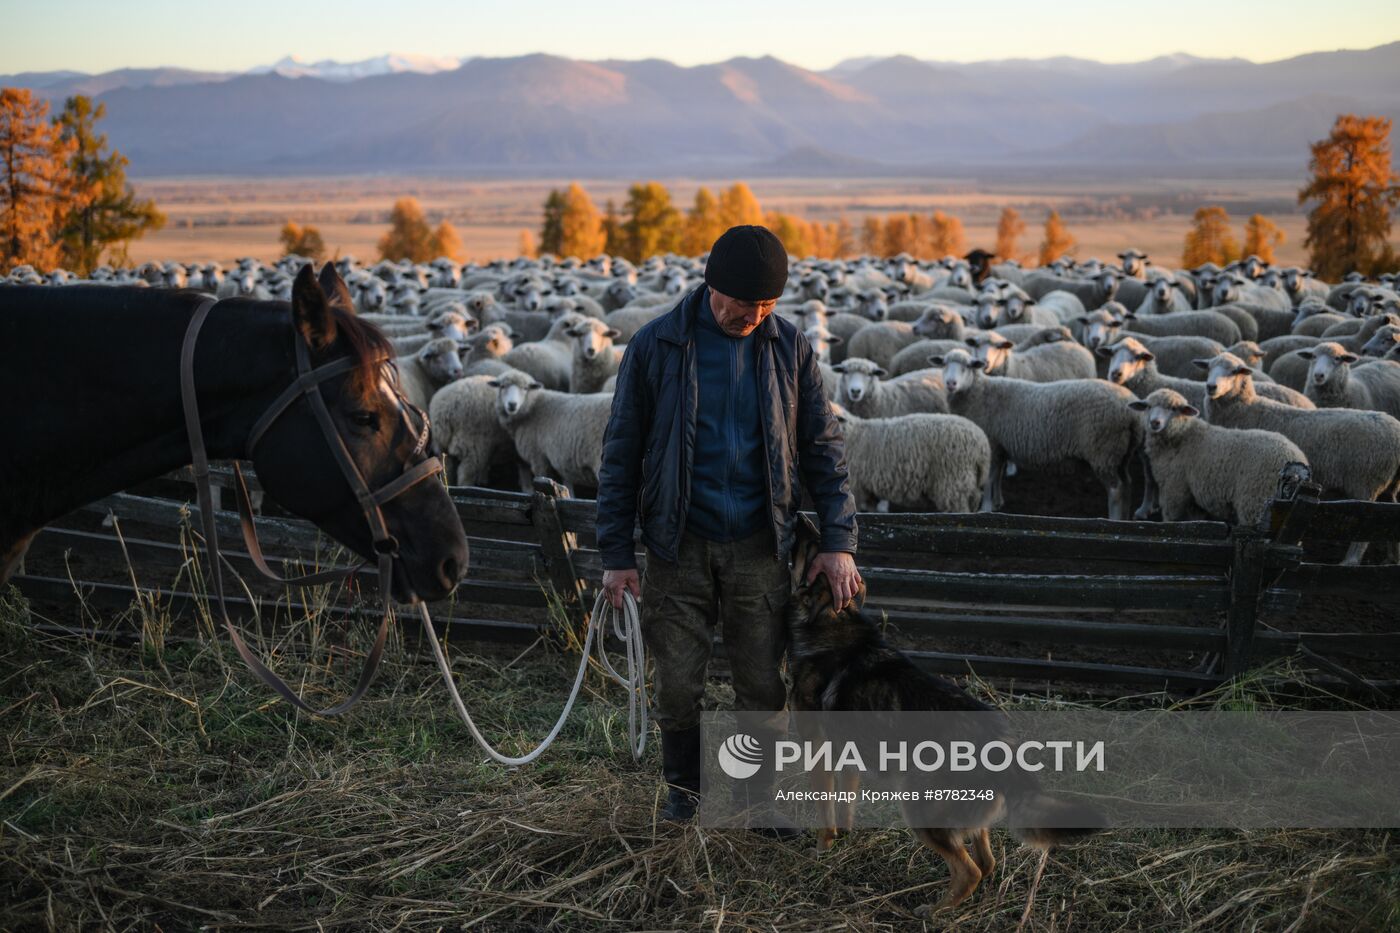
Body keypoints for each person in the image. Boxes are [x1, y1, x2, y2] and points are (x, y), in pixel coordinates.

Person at [595, 225, 860, 824]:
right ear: (713, 284)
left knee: (762, 686)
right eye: (745, 302)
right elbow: (621, 453)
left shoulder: (788, 346)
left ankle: (756, 802)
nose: (755, 314)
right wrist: (616, 553)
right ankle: (685, 795)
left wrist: (839, 542)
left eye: (768, 303)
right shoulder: (656, 345)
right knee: (678, 682)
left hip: (759, 545)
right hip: (677, 544)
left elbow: (824, 447)